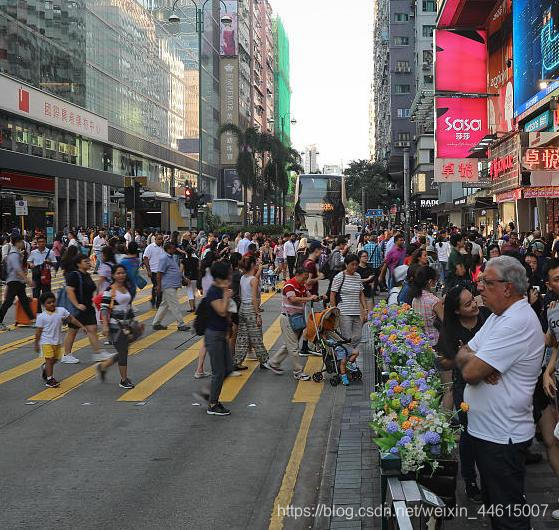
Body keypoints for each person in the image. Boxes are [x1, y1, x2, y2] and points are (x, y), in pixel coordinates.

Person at [456, 256, 544, 530]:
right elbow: (461, 352)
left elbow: (469, 372)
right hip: (488, 433)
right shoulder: (498, 317)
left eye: (487, 282)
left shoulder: (515, 321)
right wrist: (477, 359)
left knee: (508, 517)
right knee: (497, 509)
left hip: (502, 437)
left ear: (508, 288)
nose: (480, 287)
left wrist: (476, 362)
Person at [436, 286, 490, 503]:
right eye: (467, 304)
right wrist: (461, 355)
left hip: (490, 384)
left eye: (473, 300)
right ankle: (470, 481)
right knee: (469, 433)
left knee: (488, 433)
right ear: (457, 311)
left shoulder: (487, 317)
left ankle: (489, 479)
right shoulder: (450, 328)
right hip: (465, 387)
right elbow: (442, 361)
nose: (474, 305)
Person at [194, 261, 235, 416]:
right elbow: (222, 311)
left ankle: (208, 393)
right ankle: (212, 404)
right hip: (213, 335)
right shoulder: (213, 291)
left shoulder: (219, 288)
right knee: (219, 371)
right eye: (229, 272)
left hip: (220, 334)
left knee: (228, 368)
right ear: (223, 275)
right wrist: (226, 294)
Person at [96, 264, 143, 389]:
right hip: (115, 326)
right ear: (113, 275)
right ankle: (123, 380)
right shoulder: (109, 291)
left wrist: (136, 322)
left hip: (127, 325)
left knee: (123, 351)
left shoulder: (126, 287)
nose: (121, 275)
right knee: (123, 352)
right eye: (118, 273)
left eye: (123, 273)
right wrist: (105, 326)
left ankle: (103, 366)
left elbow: (128, 306)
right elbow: (104, 309)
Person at [266, 267, 317, 380]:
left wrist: (317, 298)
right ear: (298, 274)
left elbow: (309, 296)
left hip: (297, 319)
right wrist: (309, 299)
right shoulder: (289, 285)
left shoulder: (302, 286)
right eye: (304, 278)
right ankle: (298, 372)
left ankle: (274, 363)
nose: (305, 281)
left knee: (289, 344)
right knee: (293, 347)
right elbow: (293, 299)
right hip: (288, 318)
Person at [35, 292, 86, 388]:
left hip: (57, 341)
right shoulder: (42, 317)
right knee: (49, 359)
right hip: (46, 342)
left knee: (55, 359)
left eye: (53, 302)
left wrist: (82, 326)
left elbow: (71, 319)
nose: (52, 304)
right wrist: (36, 344)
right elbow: (38, 332)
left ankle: (46, 368)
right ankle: (50, 379)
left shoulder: (61, 311)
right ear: (43, 305)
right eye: (48, 303)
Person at [330, 254, 367, 386]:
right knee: (346, 338)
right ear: (346, 264)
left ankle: (349, 361)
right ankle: (344, 364)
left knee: (357, 337)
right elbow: (333, 293)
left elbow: (361, 293)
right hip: (344, 312)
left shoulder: (357, 277)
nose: (355, 267)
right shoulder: (340, 276)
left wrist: (365, 309)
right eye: (352, 264)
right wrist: (334, 310)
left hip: (356, 312)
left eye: (356, 265)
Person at [234, 255, 273, 370]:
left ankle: (237, 361)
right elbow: (254, 298)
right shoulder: (254, 280)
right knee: (256, 336)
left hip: (242, 309)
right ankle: (264, 360)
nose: (257, 264)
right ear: (252, 265)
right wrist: (258, 314)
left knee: (242, 337)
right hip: (251, 309)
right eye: (256, 263)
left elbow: (244, 293)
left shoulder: (243, 278)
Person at [152, 241, 189, 332]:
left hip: (172, 285)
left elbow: (175, 270)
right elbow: (159, 273)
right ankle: (181, 324)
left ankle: (156, 323)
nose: (175, 249)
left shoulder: (171, 257)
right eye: (173, 248)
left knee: (164, 305)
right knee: (175, 305)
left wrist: (182, 278)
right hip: (168, 285)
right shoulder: (164, 258)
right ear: (168, 249)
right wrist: (159, 286)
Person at [0, 237, 35, 330]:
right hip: (14, 281)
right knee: (8, 302)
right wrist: (28, 280)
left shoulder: (15, 254)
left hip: (17, 281)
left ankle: (32, 320)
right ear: (17, 243)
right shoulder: (14, 255)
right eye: (22, 242)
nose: (23, 244)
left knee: (24, 301)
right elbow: (18, 270)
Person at [409, 266, 443, 347]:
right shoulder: (434, 301)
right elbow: (446, 322)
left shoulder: (415, 298)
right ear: (430, 282)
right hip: (436, 340)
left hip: (420, 341)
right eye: (435, 281)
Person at [27, 235, 53, 306]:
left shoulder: (50, 252)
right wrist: (31, 264)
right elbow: (29, 261)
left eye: (43, 242)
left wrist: (49, 262)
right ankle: (37, 311)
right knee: (36, 294)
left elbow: (55, 263)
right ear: (37, 243)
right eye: (39, 242)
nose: (41, 243)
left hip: (46, 274)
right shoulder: (33, 252)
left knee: (46, 294)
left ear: (45, 242)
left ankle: (47, 311)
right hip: (36, 274)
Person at [143, 233, 164, 309]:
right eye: (159, 239)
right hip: (154, 271)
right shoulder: (150, 247)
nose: (160, 240)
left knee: (157, 286)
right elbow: (145, 258)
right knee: (158, 287)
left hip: (161, 271)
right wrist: (148, 270)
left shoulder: (162, 248)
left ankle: (153, 299)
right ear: (155, 239)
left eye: (161, 239)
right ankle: (158, 304)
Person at [181, 246, 199, 313]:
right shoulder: (196, 260)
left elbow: (180, 271)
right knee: (193, 292)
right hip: (195, 278)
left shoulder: (184, 261)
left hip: (187, 278)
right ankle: (194, 306)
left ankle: (192, 308)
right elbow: (199, 268)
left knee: (189, 293)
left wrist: (184, 278)